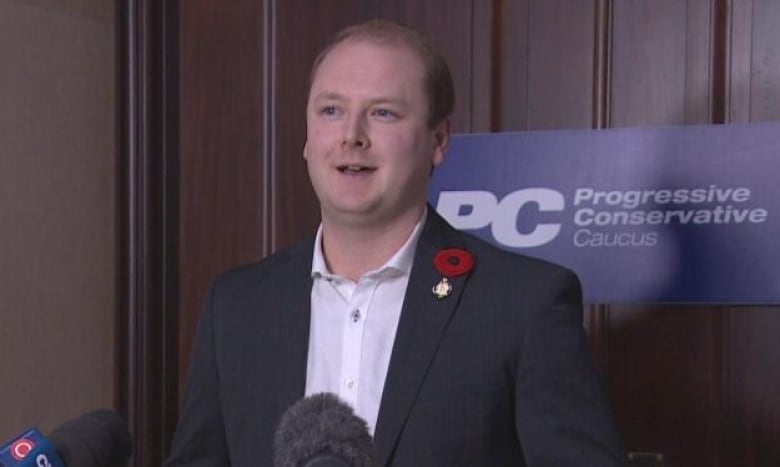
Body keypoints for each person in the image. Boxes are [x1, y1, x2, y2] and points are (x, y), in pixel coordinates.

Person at [166, 19, 626, 466]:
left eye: (382, 113)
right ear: (307, 136)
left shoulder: (523, 304)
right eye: (331, 110)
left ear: (439, 140)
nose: (351, 136)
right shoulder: (236, 306)